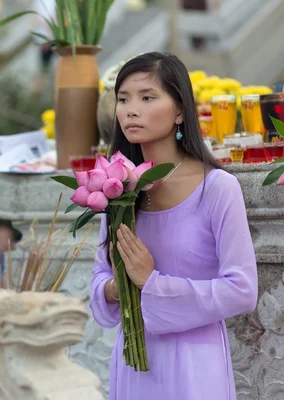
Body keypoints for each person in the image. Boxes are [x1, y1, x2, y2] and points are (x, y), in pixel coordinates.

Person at [89, 52, 258, 400]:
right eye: (123, 99)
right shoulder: (118, 188)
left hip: (194, 363)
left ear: (180, 109)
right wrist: (115, 288)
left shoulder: (216, 187)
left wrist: (152, 283)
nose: (131, 109)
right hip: (133, 363)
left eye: (147, 97)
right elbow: (100, 275)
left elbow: (242, 289)